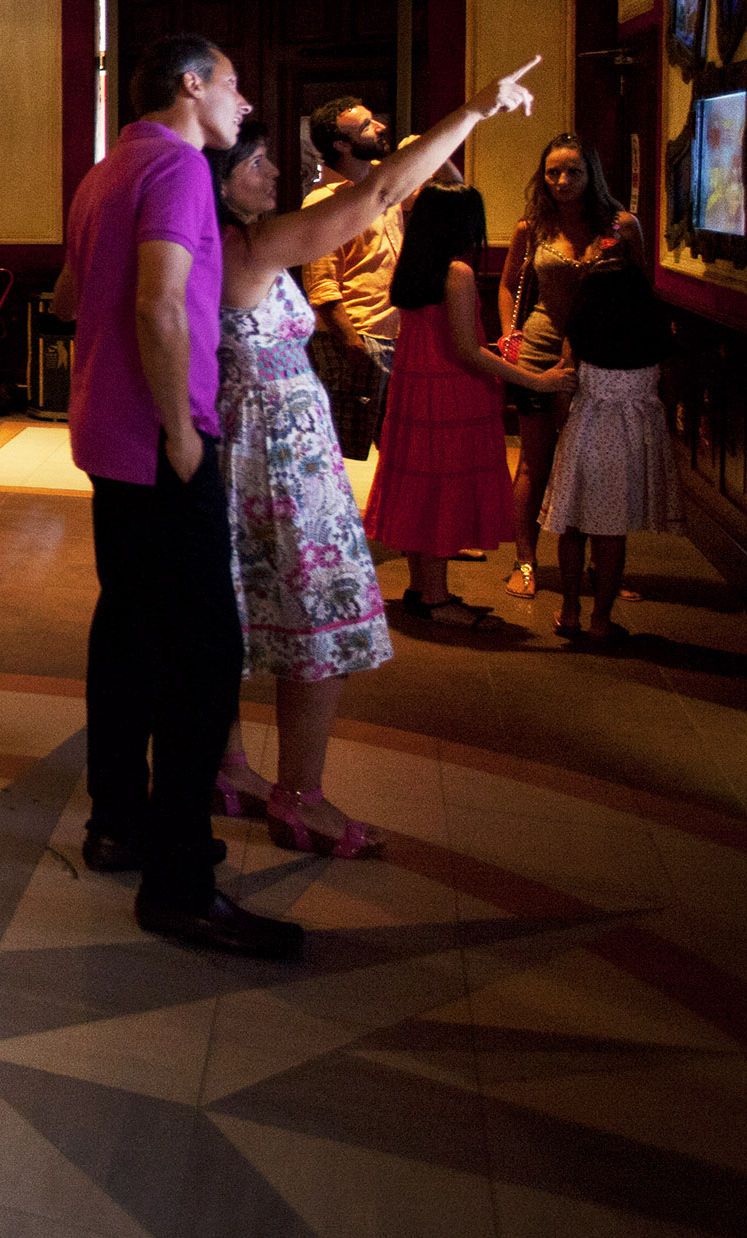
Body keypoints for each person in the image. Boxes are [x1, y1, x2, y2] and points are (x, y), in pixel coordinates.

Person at [205, 59, 540, 859]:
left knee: (232, 618)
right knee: (312, 625)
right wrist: (473, 109)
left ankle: (226, 768)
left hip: (245, 449)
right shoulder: (248, 245)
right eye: (257, 161)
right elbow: (378, 193)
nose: (276, 171)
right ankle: (300, 797)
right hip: (278, 463)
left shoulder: (219, 240)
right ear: (222, 178)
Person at [47, 33, 297, 960]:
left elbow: (72, 298)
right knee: (203, 656)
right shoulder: (184, 168)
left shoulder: (105, 170)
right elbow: (157, 304)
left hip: (107, 438)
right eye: (232, 83)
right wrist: (183, 430)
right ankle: (181, 883)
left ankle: (118, 822)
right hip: (159, 443)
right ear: (190, 86)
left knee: (127, 630)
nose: (241, 101)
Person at [363, 186, 573, 625]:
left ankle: (422, 590)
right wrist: (540, 379)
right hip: (448, 393)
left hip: (413, 389)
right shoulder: (455, 271)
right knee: (442, 489)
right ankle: (439, 600)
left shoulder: (415, 265)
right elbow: (467, 352)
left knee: (420, 487)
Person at [498, 137, 644, 602]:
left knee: (598, 467)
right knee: (535, 463)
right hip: (540, 349)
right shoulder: (533, 227)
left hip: (602, 355)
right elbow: (506, 286)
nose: (561, 181)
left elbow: (639, 291)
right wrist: (508, 335)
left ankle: (605, 571)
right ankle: (525, 561)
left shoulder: (622, 227)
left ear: (592, 175)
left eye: (573, 172)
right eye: (553, 172)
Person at [541, 264, 679, 645]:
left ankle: (569, 611)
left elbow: (564, 391)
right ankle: (601, 620)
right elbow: (668, 392)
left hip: (584, 434)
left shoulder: (579, 339)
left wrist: (561, 427)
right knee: (612, 532)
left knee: (571, 526)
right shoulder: (655, 339)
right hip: (631, 443)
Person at [296, 96, 401, 460]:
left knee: (396, 452)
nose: (380, 128)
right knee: (338, 454)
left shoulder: (384, 189)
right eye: (367, 125)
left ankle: (382, 518)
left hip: (393, 335)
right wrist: (354, 346)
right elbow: (322, 287)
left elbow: (455, 191)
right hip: (356, 337)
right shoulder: (324, 201)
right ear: (341, 144)